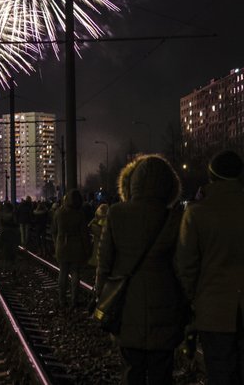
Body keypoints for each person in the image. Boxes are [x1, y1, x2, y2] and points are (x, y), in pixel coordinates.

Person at [176, 150, 244, 385]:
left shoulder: (196, 213)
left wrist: (192, 300)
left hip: (213, 310)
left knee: (221, 373)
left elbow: (186, 265)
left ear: (211, 176)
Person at [99, 155, 185, 385]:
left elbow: (104, 265)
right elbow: (183, 267)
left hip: (127, 304)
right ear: (169, 185)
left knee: (131, 370)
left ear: (131, 184)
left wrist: (103, 301)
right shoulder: (175, 218)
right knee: (162, 372)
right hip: (165, 303)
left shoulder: (116, 213)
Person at [54, 190, 90, 309]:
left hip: (62, 245)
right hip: (76, 246)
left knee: (62, 273)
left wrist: (56, 243)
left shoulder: (59, 212)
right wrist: (87, 249)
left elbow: (54, 230)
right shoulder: (80, 214)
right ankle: (74, 300)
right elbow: (84, 234)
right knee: (75, 273)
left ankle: (61, 300)